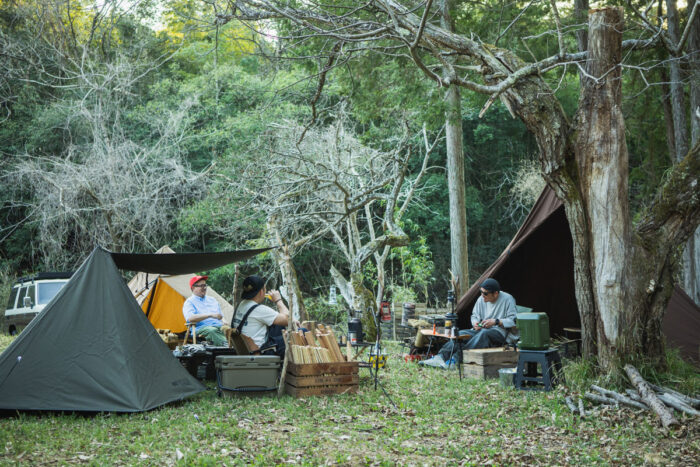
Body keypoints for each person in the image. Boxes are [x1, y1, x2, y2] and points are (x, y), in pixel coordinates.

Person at [421, 278, 517, 369]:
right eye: (481, 292)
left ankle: (455, 360)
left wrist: (496, 321)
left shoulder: (508, 299)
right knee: (461, 334)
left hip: (500, 332)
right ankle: (440, 357)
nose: (482, 295)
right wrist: (475, 323)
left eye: (485, 293)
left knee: (484, 335)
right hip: (482, 329)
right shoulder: (481, 299)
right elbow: (474, 316)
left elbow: (514, 320)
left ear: (496, 294)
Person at [231, 275, 290, 357]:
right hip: (260, 352)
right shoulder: (259, 310)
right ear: (262, 291)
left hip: (246, 348)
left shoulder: (242, 304)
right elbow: (288, 320)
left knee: (278, 325)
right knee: (302, 331)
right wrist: (278, 300)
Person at [182, 275, 228, 346]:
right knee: (212, 331)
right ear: (193, 288)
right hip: (202, 328)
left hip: (219, 326)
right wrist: (210, 315)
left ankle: (237, 349)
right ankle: (227, 348)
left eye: (205, 285)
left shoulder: (212, 300)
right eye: (202, 286)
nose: (204, 288)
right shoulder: (189, 302)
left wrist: (224, 320)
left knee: (231, 331)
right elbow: (190, 318)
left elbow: (220, 315)